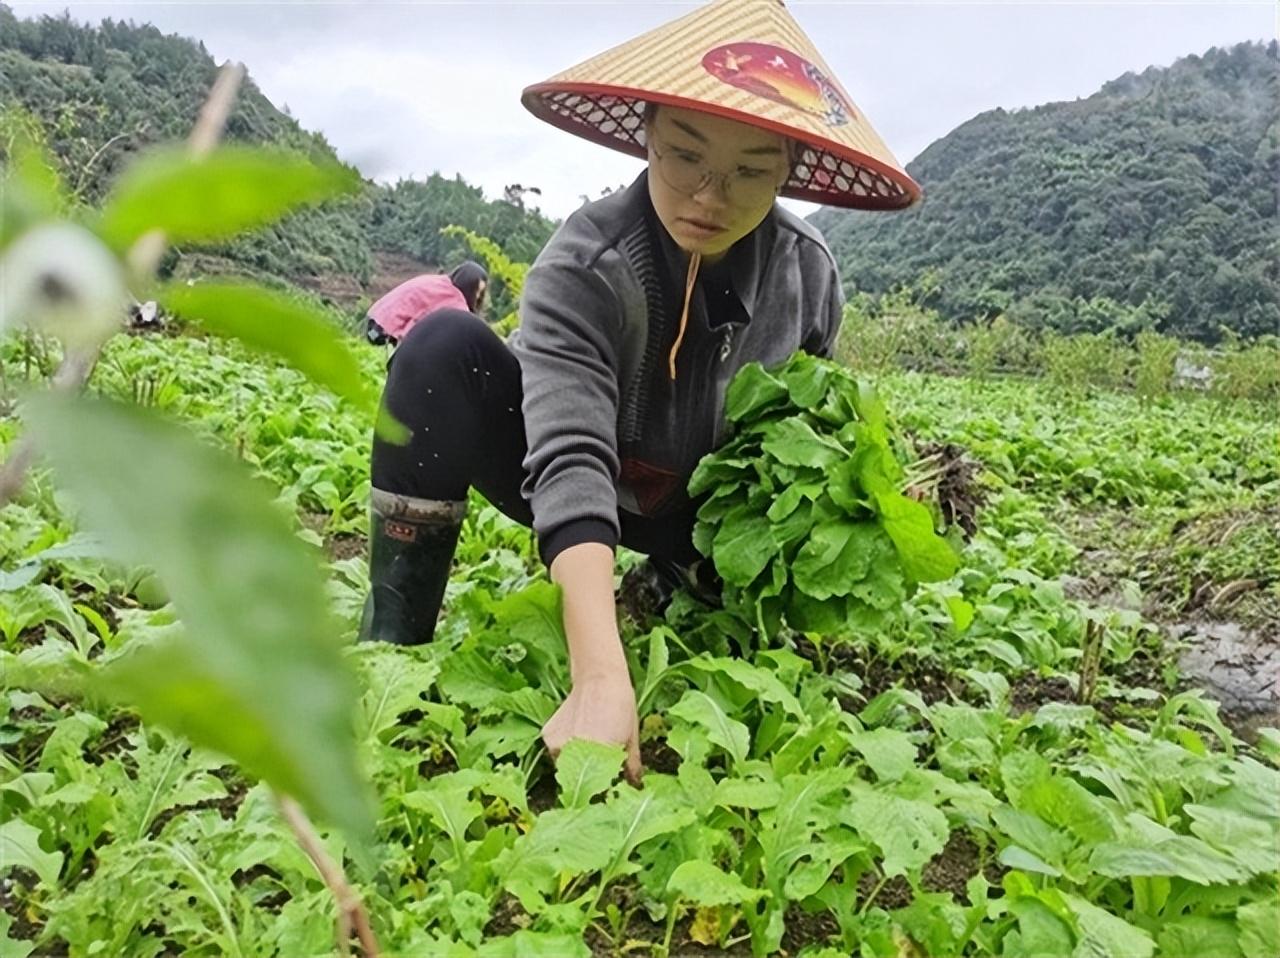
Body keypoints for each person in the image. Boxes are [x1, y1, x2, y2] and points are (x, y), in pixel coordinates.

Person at [360, 0, 920, 783]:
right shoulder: (584, 264)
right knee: (440, 349)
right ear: (647, 131)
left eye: (750, 171)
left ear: (788, 168)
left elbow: (798, 442)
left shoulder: (808, 274)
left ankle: (677, 582)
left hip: (699, 515)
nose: (709, 196)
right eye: (685, 155)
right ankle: (390, 651)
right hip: (571, 483)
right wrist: (599, 673)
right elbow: (571, 455)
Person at [362, 261, 489, 345]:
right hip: (381, 331)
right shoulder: (455, 301)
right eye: (476, 291)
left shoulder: (439, 282)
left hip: (376, 320)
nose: (477, 296)